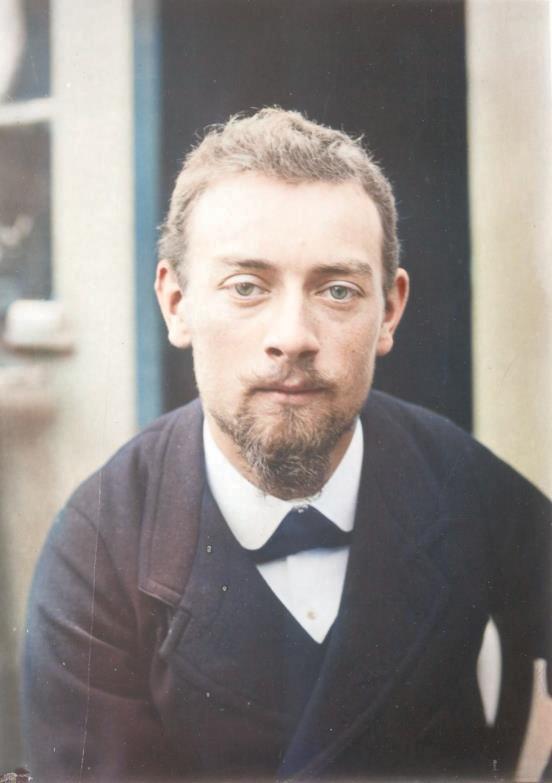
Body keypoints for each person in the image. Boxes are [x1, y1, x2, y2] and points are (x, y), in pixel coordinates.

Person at [22, 108, 551, 782]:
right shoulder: (98, 547)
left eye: (338, 290)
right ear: (178, 303)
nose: (293, 336)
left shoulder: (457, 478)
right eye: (247, 287)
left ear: (389, 310)